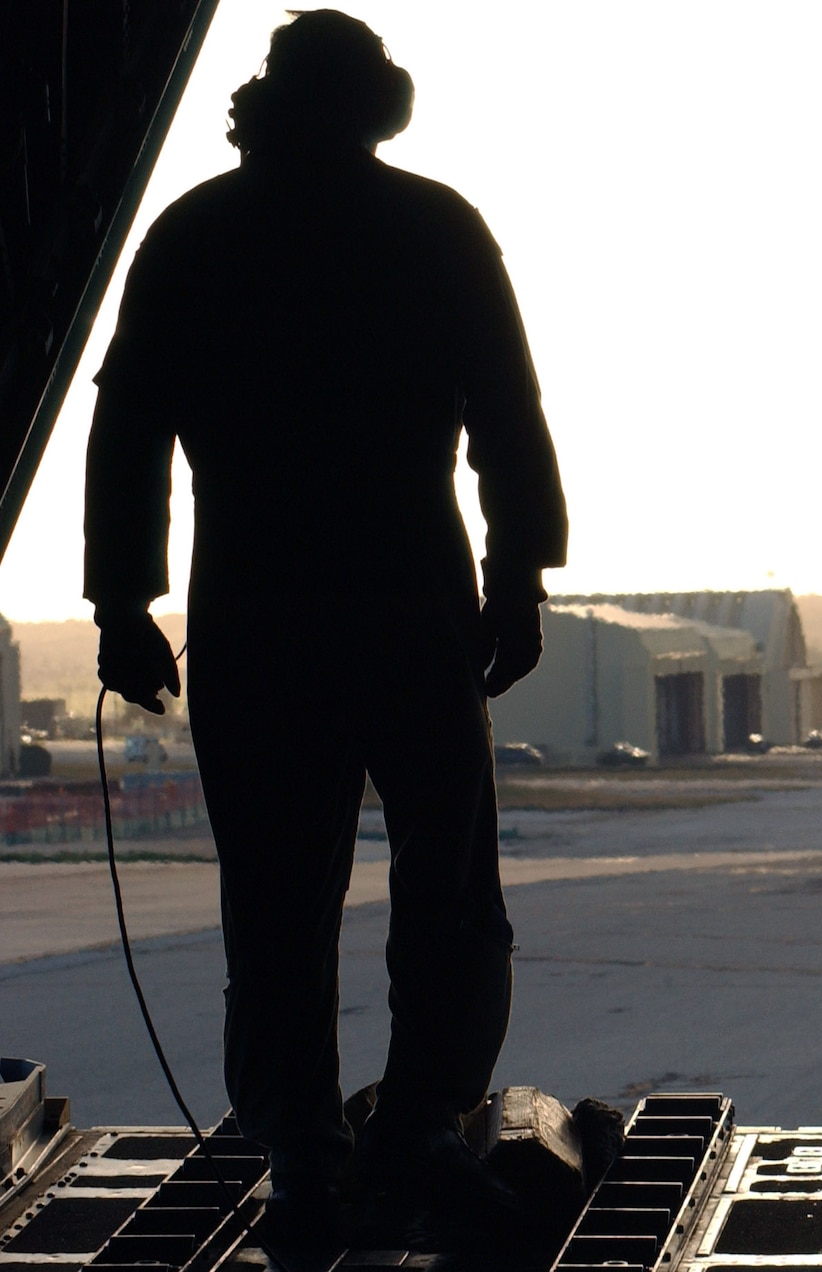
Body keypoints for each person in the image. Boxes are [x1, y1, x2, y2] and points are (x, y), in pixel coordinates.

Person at [82, 10, 567, 1249]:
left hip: (256, 613)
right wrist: (515, 577)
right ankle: (413, 1130)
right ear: (376, 108)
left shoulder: (195, 236)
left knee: (278, 901)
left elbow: (129, 430)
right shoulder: (435, 229)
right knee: (448, 891)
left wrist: (124, 604)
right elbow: (507, 414)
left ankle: (305, 1152)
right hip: (411, 605)